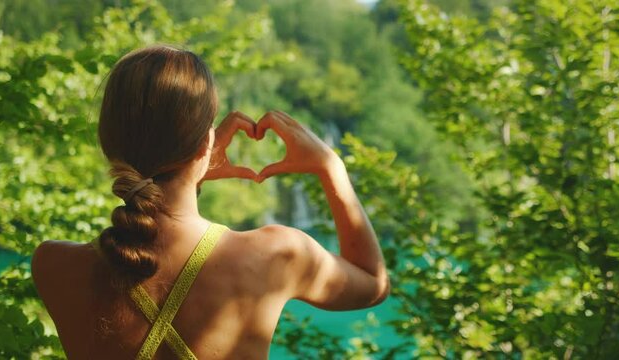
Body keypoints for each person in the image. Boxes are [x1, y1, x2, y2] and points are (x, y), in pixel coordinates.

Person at [31, 45, 389, 359]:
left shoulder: (53, 265)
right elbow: (374, 283)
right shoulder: (276, 256)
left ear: (109, 145)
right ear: (206, 146)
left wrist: (194, 168)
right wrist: (331, 167)